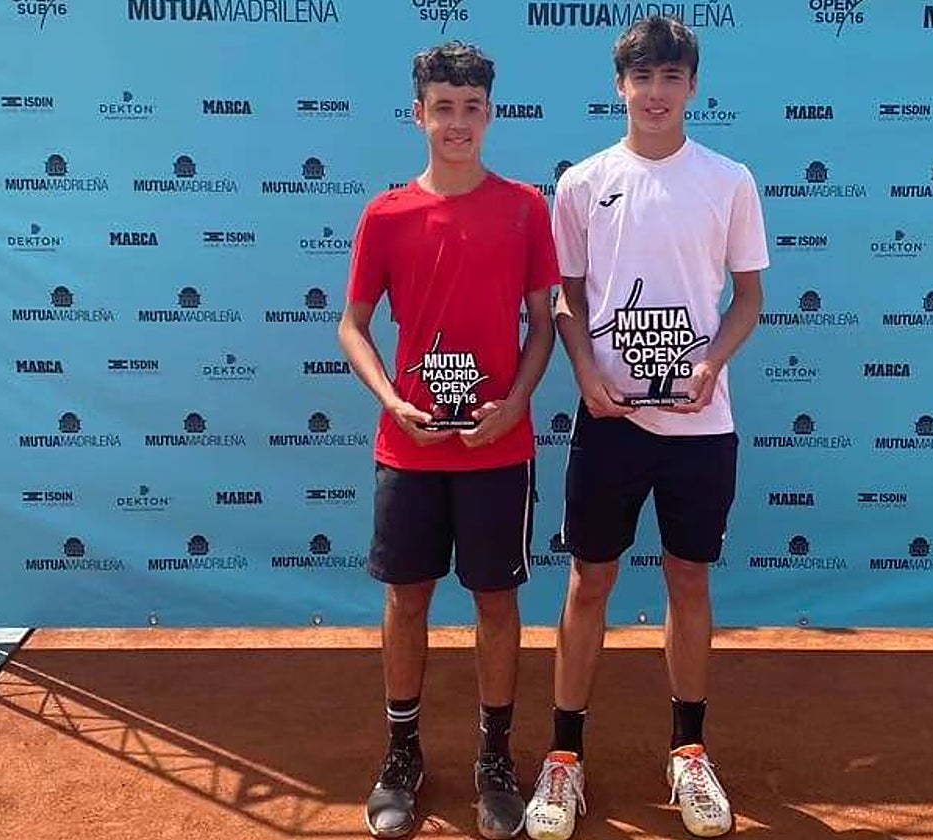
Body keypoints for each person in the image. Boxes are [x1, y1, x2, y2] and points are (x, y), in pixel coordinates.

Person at [523, 16, 768, 840]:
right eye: (642, 78)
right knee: (589, 582)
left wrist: (709, 366)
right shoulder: (584, 183)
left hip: (701, 428)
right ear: (619, 86)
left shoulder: (729, 179)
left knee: (689, 583)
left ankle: (688, 752)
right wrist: (586, 375)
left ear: (693, 86)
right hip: (609, 425)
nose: (656, 93)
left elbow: (749, 300)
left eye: (671, 77)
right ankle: (564, 762)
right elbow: (569, 296)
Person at [338, 41, 559, 840]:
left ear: (489, 114)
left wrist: (516, 404)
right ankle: (402, 755)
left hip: (500, 447)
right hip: (411, 449)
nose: (458, 123)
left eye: (472, 108)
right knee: (406, 601)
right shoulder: (386, 214)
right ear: (419, 114)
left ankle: (495, 760)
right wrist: (393, 398)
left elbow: (543, 326)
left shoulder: (528, 207)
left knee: (497, 603)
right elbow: (353, 327)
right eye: (444, 107)